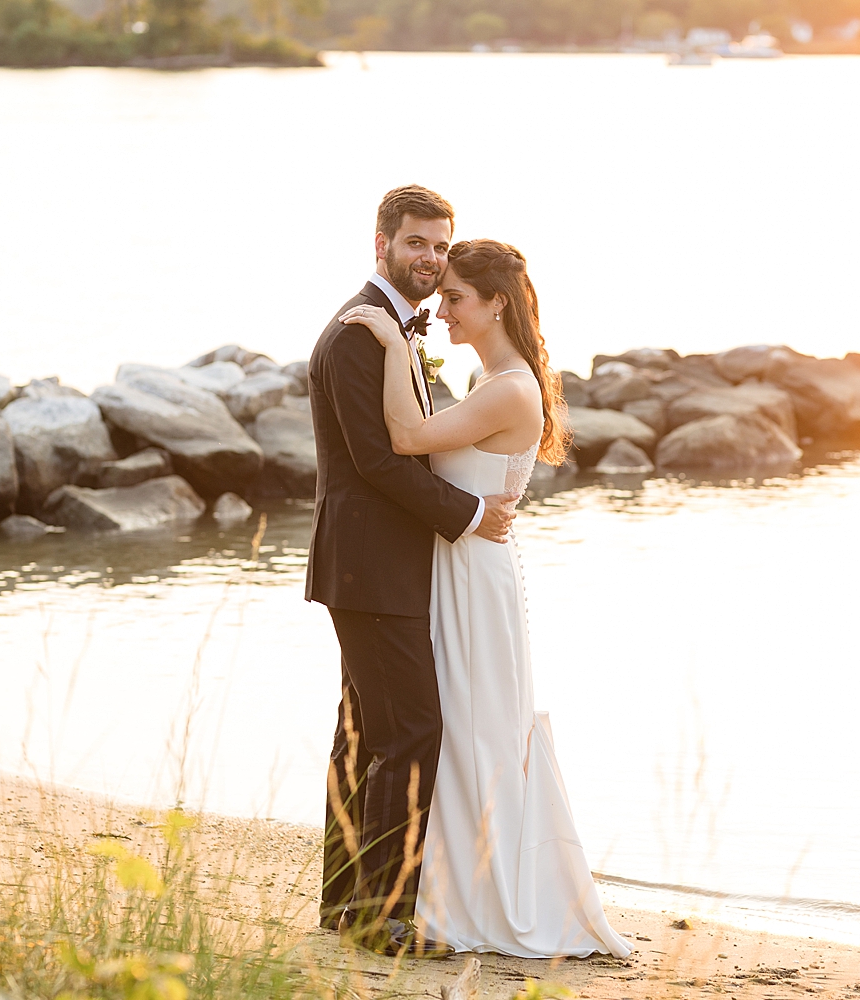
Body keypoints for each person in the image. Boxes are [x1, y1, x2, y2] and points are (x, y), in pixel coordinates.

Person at [339, 238, 631, 958]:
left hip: (475, 578)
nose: (442, 310)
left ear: (496, 302)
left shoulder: (508, 388)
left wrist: (388, 338)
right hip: (460, 569)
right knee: (459, 729)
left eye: (456, 298)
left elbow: (406, 437)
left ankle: (477, 894)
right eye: (440, 300)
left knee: (476, 732)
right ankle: (442, 889)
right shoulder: (492, 378)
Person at [305, 185, 517, 958]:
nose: (429, 258)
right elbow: (377, 462)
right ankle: (384, 916)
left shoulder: (390, 328)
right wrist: (468, 516)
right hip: (370, 565)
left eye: (439, 246)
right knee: (409, 729)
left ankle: (344, 900)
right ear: (381, 243)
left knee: (363, 732)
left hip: (371, 565)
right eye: (416, 244)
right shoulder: (362, 333)